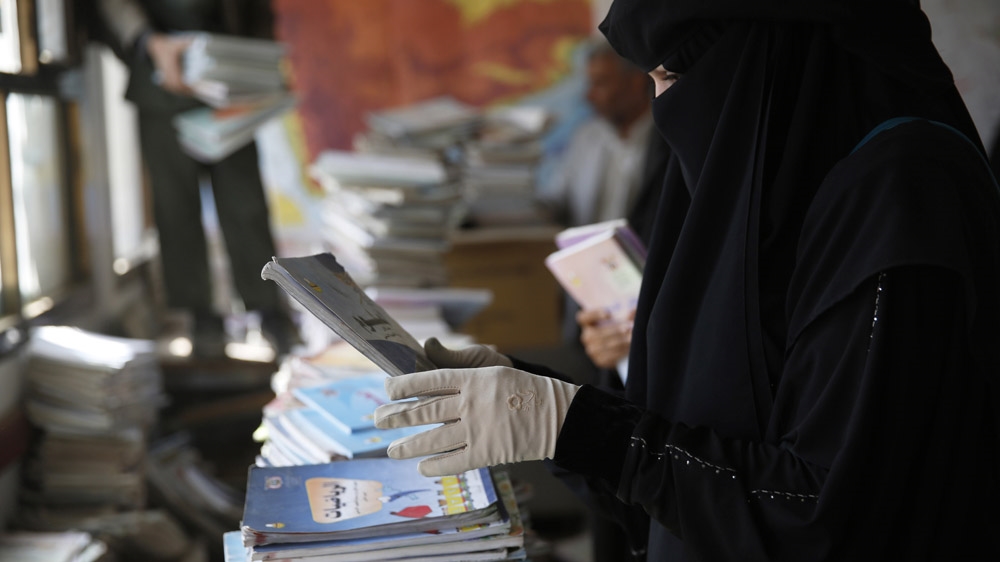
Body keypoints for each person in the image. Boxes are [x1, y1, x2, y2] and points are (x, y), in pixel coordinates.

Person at [374, 1, 1000, 560]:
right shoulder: (785, 185)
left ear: (763, 63)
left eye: (672, 74)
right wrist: (541, 400)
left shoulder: (902, 208)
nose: (661, 104)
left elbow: (825, 513)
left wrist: (578, 426)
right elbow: (703, 438)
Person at [93, 0, 298, 357]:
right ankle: (200, 318)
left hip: (228, 75)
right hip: (161, 79)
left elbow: (258, 13)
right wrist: (149, 41)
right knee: (176, 208)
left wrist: (262, 66)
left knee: (245, 203)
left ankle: (267, 309)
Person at [540, 37, 670, 387]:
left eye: (601, 83)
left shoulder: (667, 138)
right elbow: (554, 200)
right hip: (592, 290)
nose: (590, 95)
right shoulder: (586, 138)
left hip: (646, 292)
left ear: (634, 81)